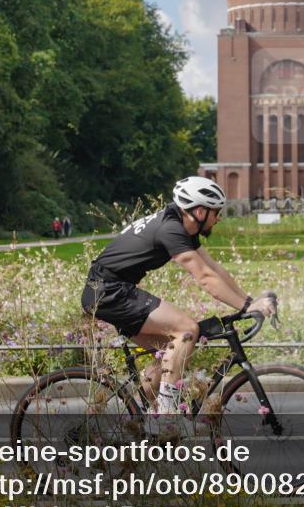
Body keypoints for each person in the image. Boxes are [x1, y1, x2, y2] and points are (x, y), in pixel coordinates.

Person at [81, 176, 276, 414]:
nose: (219, 218)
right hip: (108, 290)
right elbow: (205, 279)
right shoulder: (171, 229)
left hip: (110, 289)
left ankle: (137, 418)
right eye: (216, 212)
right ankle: (166, 415)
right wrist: (247, 307)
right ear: (201, 211)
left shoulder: (182, 224)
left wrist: (248, 301)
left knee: (168, 353)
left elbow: (214, 269)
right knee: (186, 331)